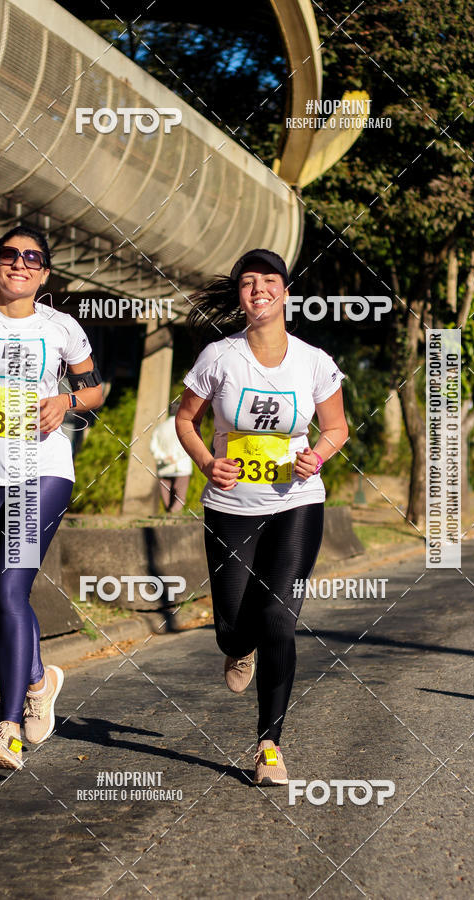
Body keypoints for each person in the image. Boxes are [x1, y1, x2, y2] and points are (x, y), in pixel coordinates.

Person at [176, 248, 348, 786]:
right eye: (248, 283)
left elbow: (336, 428)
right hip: (231, 507)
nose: (258, 290)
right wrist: (207, 461)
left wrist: (315, 456)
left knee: (278, 618)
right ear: (242, 296)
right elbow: (185, 420)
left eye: (268, 281)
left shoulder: (314, 361)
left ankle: (269, 745)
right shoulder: (218, 357)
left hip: (297, 502)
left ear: (285, 292)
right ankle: (237, 647)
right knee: (231, 625)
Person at [0, 225, 103, 769]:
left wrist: (68, 401)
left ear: (45, 273)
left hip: (42, 471)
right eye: (11, 255)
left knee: (11, 593)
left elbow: (96, 387)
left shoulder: (62, 327)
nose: (21, 265)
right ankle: (37, 679)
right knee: (5, 592)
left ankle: (6, 729)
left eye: (33, 258)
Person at [150, 400, 192, 513]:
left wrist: (165, 457)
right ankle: (172, 516)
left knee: (166, 497)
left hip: (164, 467)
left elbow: (153, 447)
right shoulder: (185, 427)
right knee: (179, 497)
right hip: (181, 467)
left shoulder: (159, 429)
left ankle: (168, 515)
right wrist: (175, 457)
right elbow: (190, 446)